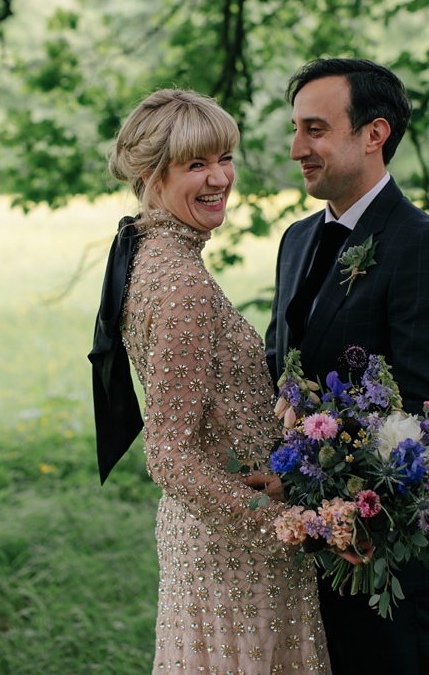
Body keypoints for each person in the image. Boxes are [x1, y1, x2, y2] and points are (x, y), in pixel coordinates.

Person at [89, 89, 331, 674]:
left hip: (216, 538)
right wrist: (285, 523)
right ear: (152, 176)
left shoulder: (154, 256)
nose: (219, 177)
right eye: (196, 165)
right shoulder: (179, 283)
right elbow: (168, 454)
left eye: (224, 157)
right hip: (236, 553)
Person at [263, 59, 429, 675]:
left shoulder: (423, 246)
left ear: (374, 134)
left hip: (379, 550)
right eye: (296, 129)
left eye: (315, 129)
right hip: (300, 548)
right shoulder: (297, 239)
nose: (297, 148)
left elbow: (421, 414)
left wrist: (313, 489)